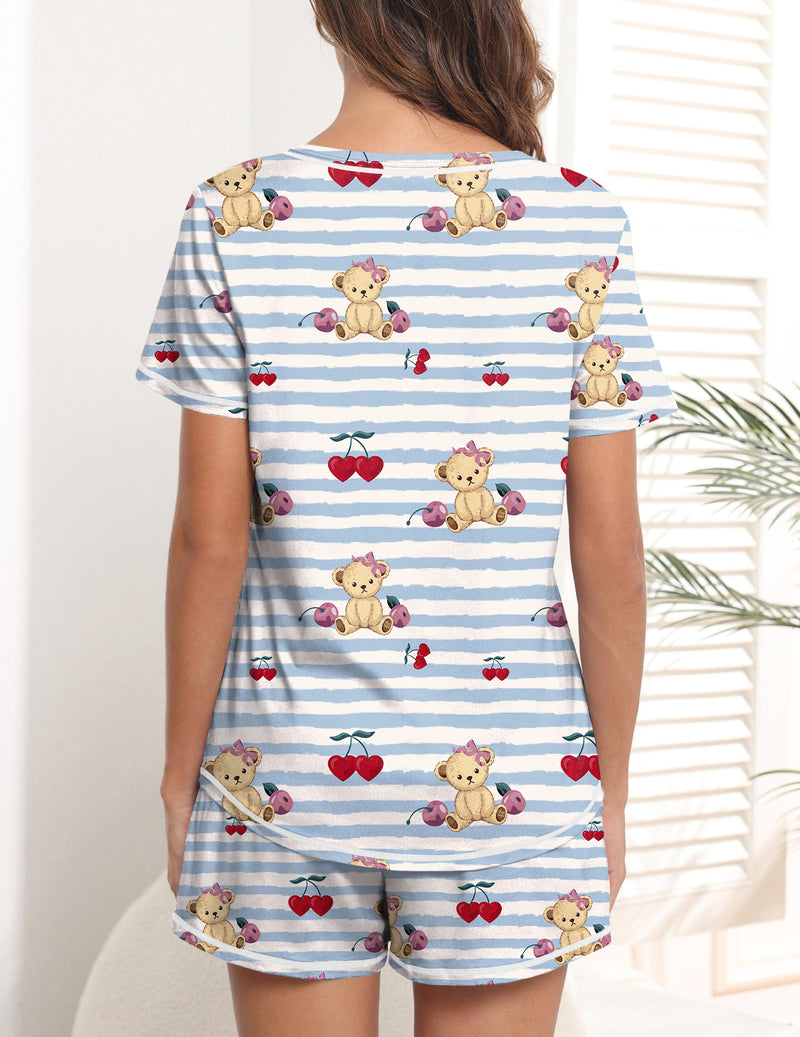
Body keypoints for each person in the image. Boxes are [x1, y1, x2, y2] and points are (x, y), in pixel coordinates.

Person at [134, 2, 679, 1034]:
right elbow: (608, 547)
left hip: (284, 771)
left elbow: (210, 537)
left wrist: (178, 774)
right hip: (521, 772)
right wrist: (606, 787)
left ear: (329, 13)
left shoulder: (232, 210)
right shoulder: (577, 218)